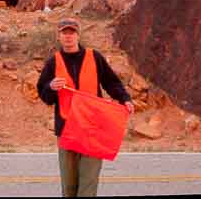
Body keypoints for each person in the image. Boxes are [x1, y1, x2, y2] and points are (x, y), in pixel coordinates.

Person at [36, 18, 134, 197]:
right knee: (69, 187)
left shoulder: (94, 56)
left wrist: (125, 99)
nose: (68, 36)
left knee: (88, 186)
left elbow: (112, 83)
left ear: (78, 35)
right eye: (64, 33)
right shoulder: (53, 62)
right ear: (58, 36)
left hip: (93, 129)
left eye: (71, 32)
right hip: (67, 130)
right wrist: (51, 87)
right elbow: (44, 95)